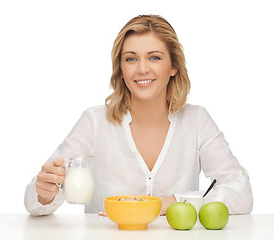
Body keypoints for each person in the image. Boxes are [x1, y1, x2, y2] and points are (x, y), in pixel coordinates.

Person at [24, 14, 253, 216]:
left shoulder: (197, 120)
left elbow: (241, 192)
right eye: (131, 59)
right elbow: (33, 202)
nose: (142, 69)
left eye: (154, 57)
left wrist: (170, 203)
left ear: (173, 67)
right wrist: (45, 194)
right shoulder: (93, 122)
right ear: (121, 71)